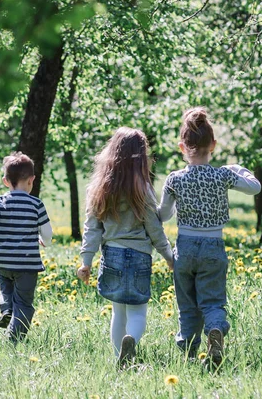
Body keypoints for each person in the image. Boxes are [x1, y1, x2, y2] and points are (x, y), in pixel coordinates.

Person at [158, 107, 261, 367]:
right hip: (214, 247)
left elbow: (163, 215)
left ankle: (190, 353)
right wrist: (238, 168)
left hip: (186, 247)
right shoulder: (222, 175)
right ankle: (215, 329)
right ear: (213, 144)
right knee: (213, 300)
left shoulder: (175, 179)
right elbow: (255, 187)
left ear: (182, 146)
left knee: (187, 305)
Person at [77, 127, 173, 367]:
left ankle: (119, 356)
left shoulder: (99, 189)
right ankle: (131, 342)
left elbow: (91, 229)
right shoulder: (143, 189)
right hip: (140, 256)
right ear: (140, 158)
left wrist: (86, 261)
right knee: (138, 311)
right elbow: (154, 228)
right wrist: (169, 256)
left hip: (112, 256)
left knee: (117, 312)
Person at [0, 151, 52, 342]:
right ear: (31, 180)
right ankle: (14, 339)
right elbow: (47, 232)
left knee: (5, 290)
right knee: (24, 302)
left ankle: (7, 310)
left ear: (6, 181)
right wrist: (45, 241)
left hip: (4, 262)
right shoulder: (36, 204)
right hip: (27, 264)